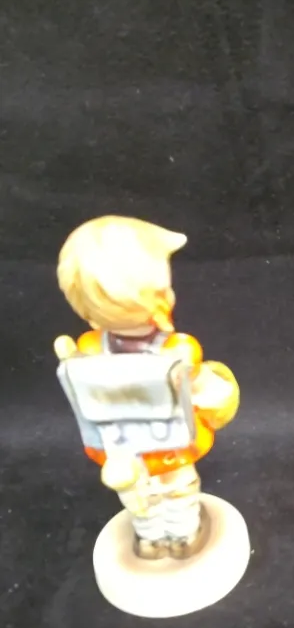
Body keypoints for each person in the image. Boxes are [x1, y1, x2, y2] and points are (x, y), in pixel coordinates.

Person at [54, 215, 239, 559]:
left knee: (146, 495)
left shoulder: (90, 348)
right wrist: (221, 393)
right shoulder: (178, 350)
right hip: (153, 448)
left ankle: (159, 538)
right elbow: (206, 389)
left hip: (129, 448)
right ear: (159, 300)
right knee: (162, 491)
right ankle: (173, 535)